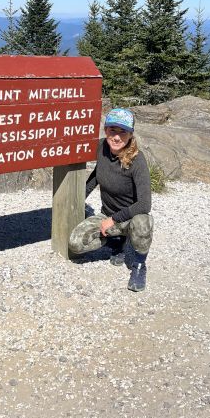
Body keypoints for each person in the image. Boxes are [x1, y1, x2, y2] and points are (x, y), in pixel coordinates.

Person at [68, 108, 154, 291]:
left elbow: (145, 204)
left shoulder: (137, 161)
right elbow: (96, 176)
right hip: (107, 216)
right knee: (75, 244)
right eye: (112, 130)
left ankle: (139, 265)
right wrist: (77, 198)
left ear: (130, 134)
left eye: (122, 132)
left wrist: (113, 220)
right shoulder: (101, 147)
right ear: (106, 130)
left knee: (143, 221)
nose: (116, 137)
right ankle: (118, 243)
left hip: (129, 219)